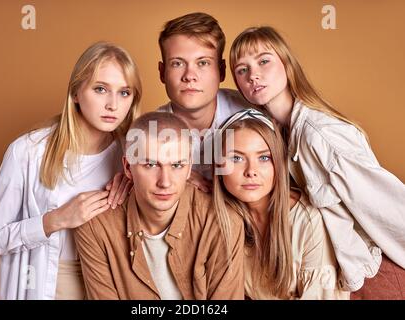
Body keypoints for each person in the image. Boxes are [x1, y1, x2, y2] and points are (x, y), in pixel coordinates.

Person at [229, 26, 405, 297]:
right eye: (242, 69)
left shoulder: (320, 135)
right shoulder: (278, 136)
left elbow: (387, 207)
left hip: (372, 274)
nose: (253, 75)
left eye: (264, 60)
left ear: (287, 64)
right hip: (334, 279)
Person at [0, 42, 142, 299]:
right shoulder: (27, 152)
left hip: (110, 282)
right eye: (100, 89)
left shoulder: (134, 157)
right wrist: (56, 220)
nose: (113, 104)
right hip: (46, 283)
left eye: (124, 93)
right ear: (76, 92)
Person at [74, 112, 244, 300]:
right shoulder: (96, 227)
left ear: (189, 169)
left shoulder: (223, 222)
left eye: (177, 165)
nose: (165, 182)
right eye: (151, 165)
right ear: (128, 167)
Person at [213, 109, 349, 299]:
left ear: (278, 163)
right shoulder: (220, 219)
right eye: (236, 158)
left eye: (264, 158)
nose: (251, 171)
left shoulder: (307, 221)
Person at [157, 12, 252, 191]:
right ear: (162, 72)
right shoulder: (149, 133)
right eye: (177, 63)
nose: (189, 76)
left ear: (221, 70)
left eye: (203, 63)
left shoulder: (251, 114)